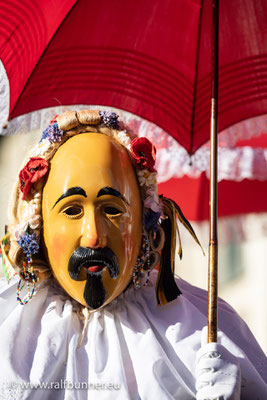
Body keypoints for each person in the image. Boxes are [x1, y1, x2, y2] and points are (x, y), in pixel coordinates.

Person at [0, 109, 266, 400]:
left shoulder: (202, 329)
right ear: (39, 227)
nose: (94, 237)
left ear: (144, 225)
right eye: (72, 210)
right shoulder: (9, 332)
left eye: (112, 210)